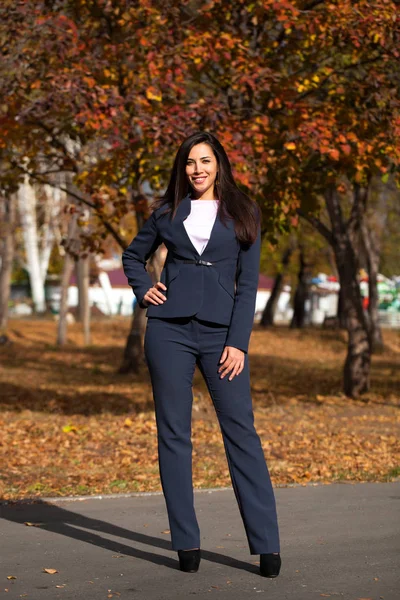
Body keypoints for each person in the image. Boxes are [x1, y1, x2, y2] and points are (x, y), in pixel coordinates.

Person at [122, 131, 281, 577]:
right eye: (191, 162)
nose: (198, 169)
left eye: (205, 161)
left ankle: (267, 544)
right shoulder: (167, 212)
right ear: (183, 167)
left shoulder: (244, 212)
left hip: (221, 337)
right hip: (168, 331)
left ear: (219, 165)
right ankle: (186, 543)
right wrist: (144, 288)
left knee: (241, 433)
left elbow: (247, 284)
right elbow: (132, 256)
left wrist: (238, 342)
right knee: (174, 435)